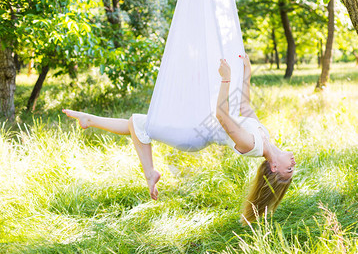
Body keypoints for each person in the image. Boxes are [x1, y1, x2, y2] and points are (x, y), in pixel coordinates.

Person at [63, 54, 295, 223]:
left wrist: (226, 79)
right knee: (143, 124)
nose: (293, 165)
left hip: (191, 135)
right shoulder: (263, 136)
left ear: (274, 167)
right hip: (193, 124)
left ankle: (149, 172)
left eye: (289, 171)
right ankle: (90, 120)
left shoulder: (251, 145)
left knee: (139, 124)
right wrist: (247, 74)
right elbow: (244, 104)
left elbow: (222, 115)